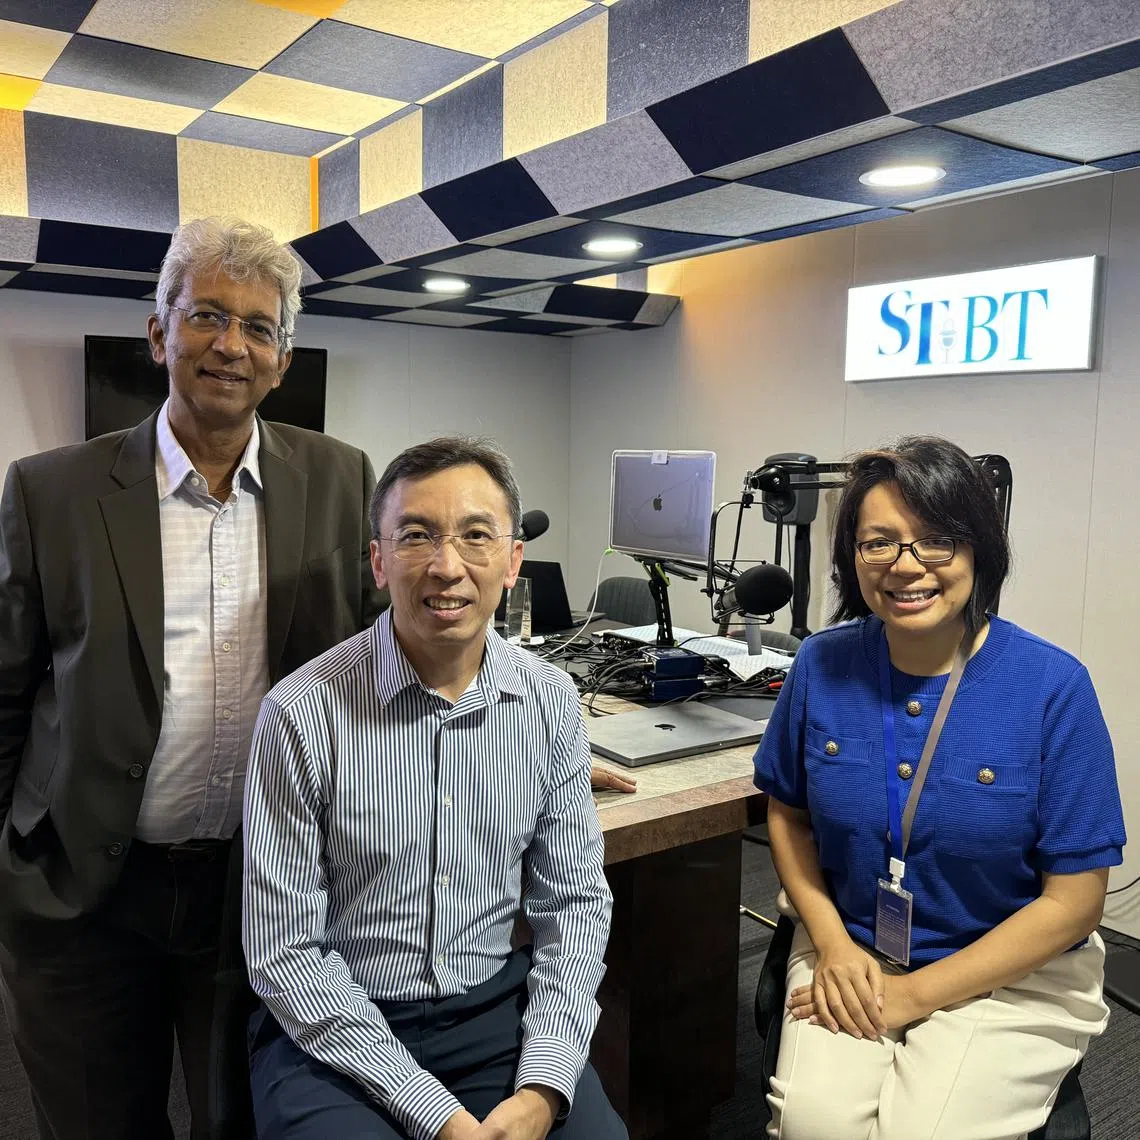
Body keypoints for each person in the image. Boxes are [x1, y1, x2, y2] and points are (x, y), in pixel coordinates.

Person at [0, 216, 386, 1140]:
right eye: (207, 315)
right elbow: (6, 692)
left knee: (247, 1121)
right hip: (85, 894)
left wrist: (535, 739)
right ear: (159, 332)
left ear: (284, 359)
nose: (230, 345)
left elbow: (388, 657)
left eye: (259, 327)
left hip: (260, 894)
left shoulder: (340, 479)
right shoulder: (51, 490)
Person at [242, 437, 627, 1140]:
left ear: (513, 562)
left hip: (492, 1018)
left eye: (476, 536)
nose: (447, 567)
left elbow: (573, 905)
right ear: (378, 560)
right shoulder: (301, 714)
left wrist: (544, 1084)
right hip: (336, 1032)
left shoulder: (550, 702)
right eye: (416, 536)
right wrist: (438, 1115)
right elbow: (283, 953)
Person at [753, 436, 1126, 1140]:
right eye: (879, 543)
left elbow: (1074, 905)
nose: (906, 566)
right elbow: (788, 815)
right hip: (852, 947)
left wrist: (913, 996)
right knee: (813, 1125)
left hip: (1009, 971)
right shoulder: (821, 663)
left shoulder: (1052, 686)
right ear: (852, 558)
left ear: (979, 549)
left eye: (935, 541)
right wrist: (831, 941)